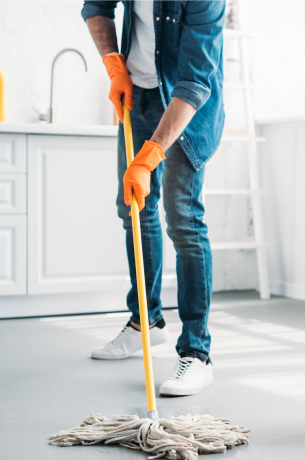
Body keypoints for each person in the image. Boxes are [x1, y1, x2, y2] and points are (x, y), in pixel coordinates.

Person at [81, 0, 225, 396]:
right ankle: (145, 321)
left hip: (186, 107)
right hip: (138, 97)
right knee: (134, 209)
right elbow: (95, 6)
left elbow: (195, 82)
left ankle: (197, 353)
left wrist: (150, 156)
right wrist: (113, 63)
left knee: (183, 219)